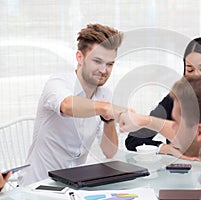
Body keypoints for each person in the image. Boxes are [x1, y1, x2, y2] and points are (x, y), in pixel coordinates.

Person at [18, 23, 124, 186]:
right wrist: (105, 108)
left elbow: (109, 152)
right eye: (97, 61)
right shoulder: (58, 83)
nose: (104, 70)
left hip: (74, 187)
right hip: (37, 187)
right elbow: (68, 105)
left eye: (110, 64)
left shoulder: (105, 94)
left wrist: (109, 120)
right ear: (79, 57)